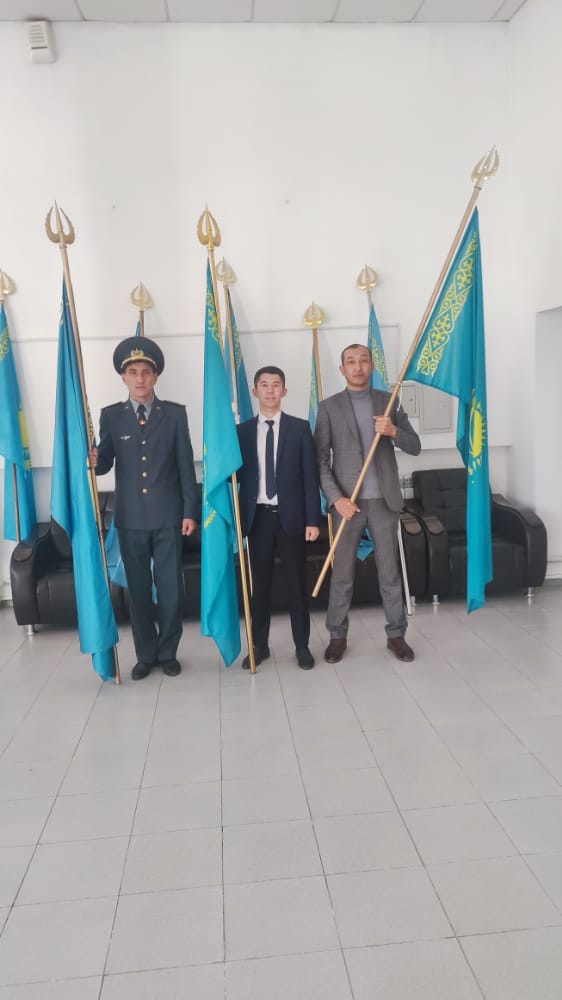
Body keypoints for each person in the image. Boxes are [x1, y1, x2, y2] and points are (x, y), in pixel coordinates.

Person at [88, 337, 198, 680]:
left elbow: (185, 467)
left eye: (146, 372)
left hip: (168, 516)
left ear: (155, 376)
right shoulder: (111, 416)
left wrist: (189, 512)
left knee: (169, 590)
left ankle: (168, 652)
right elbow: (104, 463)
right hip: (130, 518)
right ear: (123, 377)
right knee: (137, 592)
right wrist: (93, 459)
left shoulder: (175, 415)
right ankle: (146, 654)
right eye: (133, 372)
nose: (139, 379)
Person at [314, 343, 421, 664]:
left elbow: (414, 445)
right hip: (348, 504)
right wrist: (336, 499)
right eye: (351, 361)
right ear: (342, 369)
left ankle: (396, 635)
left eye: (363, 360)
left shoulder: (388, 401)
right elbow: (320, 460)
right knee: (342, 575)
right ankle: (337, 636)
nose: (358, 366)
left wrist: (393, 431)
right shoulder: (328, 407)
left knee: (390, 573)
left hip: (384, 501)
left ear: (371, 366)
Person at [236, 366, 321, 669]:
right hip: (257, 518)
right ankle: (259, 646)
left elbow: (310, 478)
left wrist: (313, 520)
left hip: (292, 518)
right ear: (254, 391)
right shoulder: (242, 432)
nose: (270, 391)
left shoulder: (299, 429)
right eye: (264, 385)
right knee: (259, 587)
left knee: (296, 585)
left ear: (284, 391)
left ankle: (302, 646)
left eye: (276, 385)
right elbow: (235, 476)